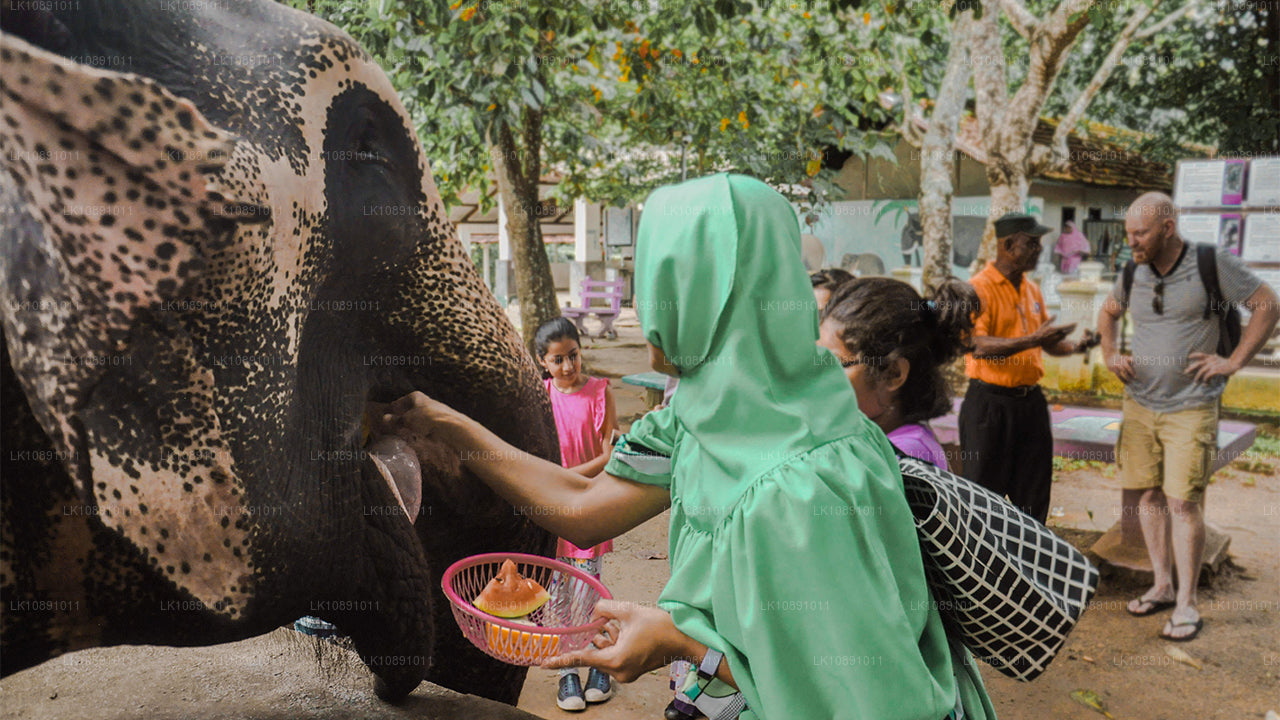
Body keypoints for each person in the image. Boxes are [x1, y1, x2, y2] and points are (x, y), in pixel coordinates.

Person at [385, 174, 994, 720]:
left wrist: (679, 642)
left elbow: (859, 694)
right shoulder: (698, 412)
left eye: (658, 277)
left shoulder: (805, 486)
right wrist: (444, 421)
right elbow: (579, 501)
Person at [1098, 192, 1279, 642]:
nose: (1131, 241)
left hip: (1191, 406)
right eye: (1128, 233)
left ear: (1167, 228)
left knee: (1183, 502)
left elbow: (1267, 304)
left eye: (1140, 233)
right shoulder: (1133, 271)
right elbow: (1107, 312)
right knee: (1148, 496)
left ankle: (1187, 603)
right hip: (1140, 404)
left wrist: (1233, 361)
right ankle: (1161, 585)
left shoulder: (1210, 263)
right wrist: (1110, 353)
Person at [959, 213, 1097, 523]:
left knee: (1033, 495)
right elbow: (976, 345)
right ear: (1008, 245)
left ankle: (1030, 551)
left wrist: (1076, 346)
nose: (1039, 249)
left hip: (1030, 405)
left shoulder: (1032, 289)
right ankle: (986, 553)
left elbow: (1045, 343)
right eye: (1031, 243)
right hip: (989, 407)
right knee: (982, 498)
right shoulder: (978, 289)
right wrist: (1032, 339)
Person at [533, 317, 620, 710]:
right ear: (543, 362)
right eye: (558, 359)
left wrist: (562, 479)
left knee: (588, 593)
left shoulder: (601, 391)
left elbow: (608, 456)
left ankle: (599, 663)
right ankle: (567, 672)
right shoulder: (539, 396)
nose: (568, 366)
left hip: (589, 508)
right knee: (556, 597)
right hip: (552, 513)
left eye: (573, 355)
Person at [818, 277, 979, 470]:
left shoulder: (906, 456)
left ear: (893, 373)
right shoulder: (875, 440)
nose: (819, 377)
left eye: (836, 364)